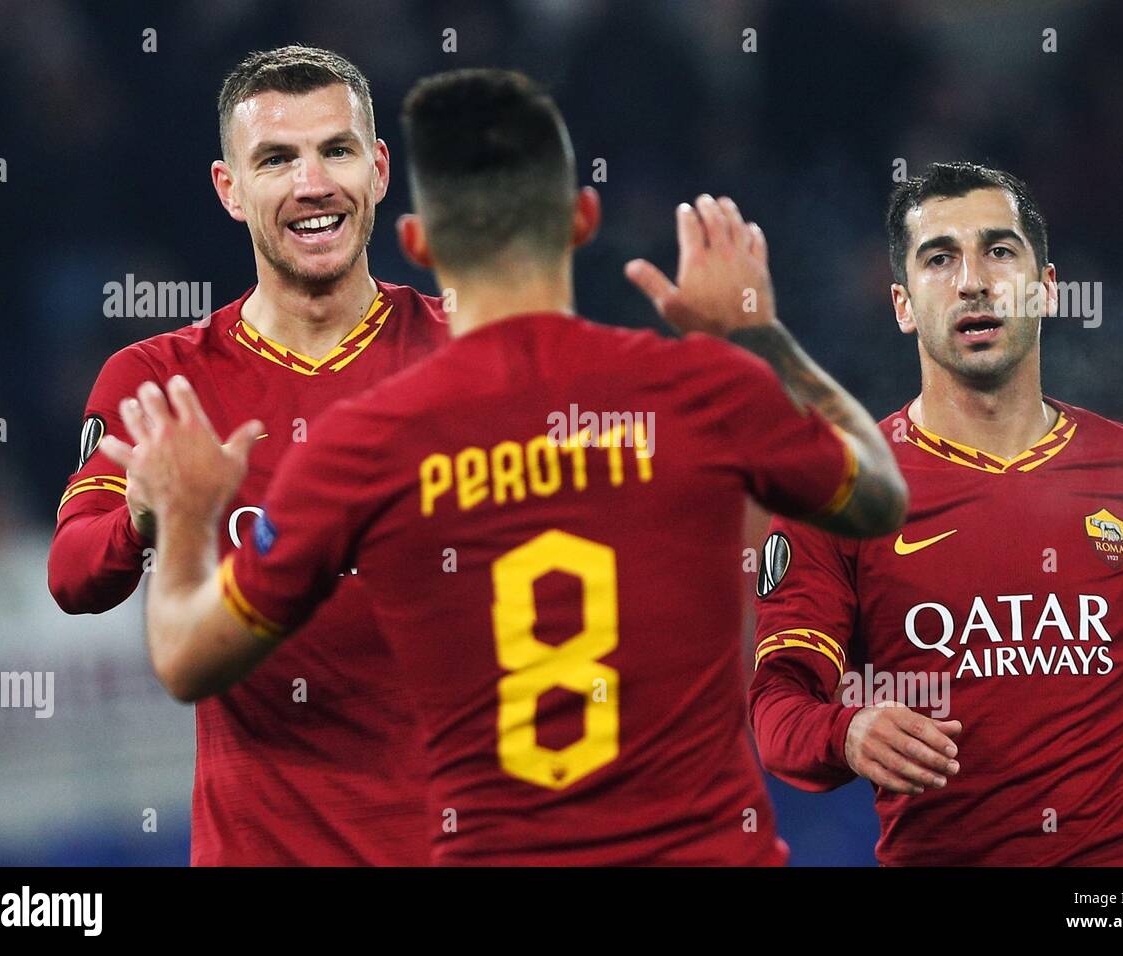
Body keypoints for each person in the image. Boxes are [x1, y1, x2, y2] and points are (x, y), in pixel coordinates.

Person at [100, 68, 907, 864]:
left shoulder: (364, 448)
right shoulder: (702, 389)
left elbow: (184, 657)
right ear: (584, 217)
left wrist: (187, 515)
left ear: (417, 240)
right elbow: (878, 495)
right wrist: (759, 336)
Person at [750, 161, 1123, 865]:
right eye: (940, 258)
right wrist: (848, 732)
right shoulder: (838, 492)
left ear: (1046, 289)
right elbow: (778, 705)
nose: (973, 280)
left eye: (1000, 250)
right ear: (902, 303)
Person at [48, 46, 448, 865]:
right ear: (230, 190)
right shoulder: (160, 379)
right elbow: (72, 574)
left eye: (335, 150)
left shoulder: (472, 354)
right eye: (276, 159)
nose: (312, 184)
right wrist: (149, 511)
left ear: (377, 170)